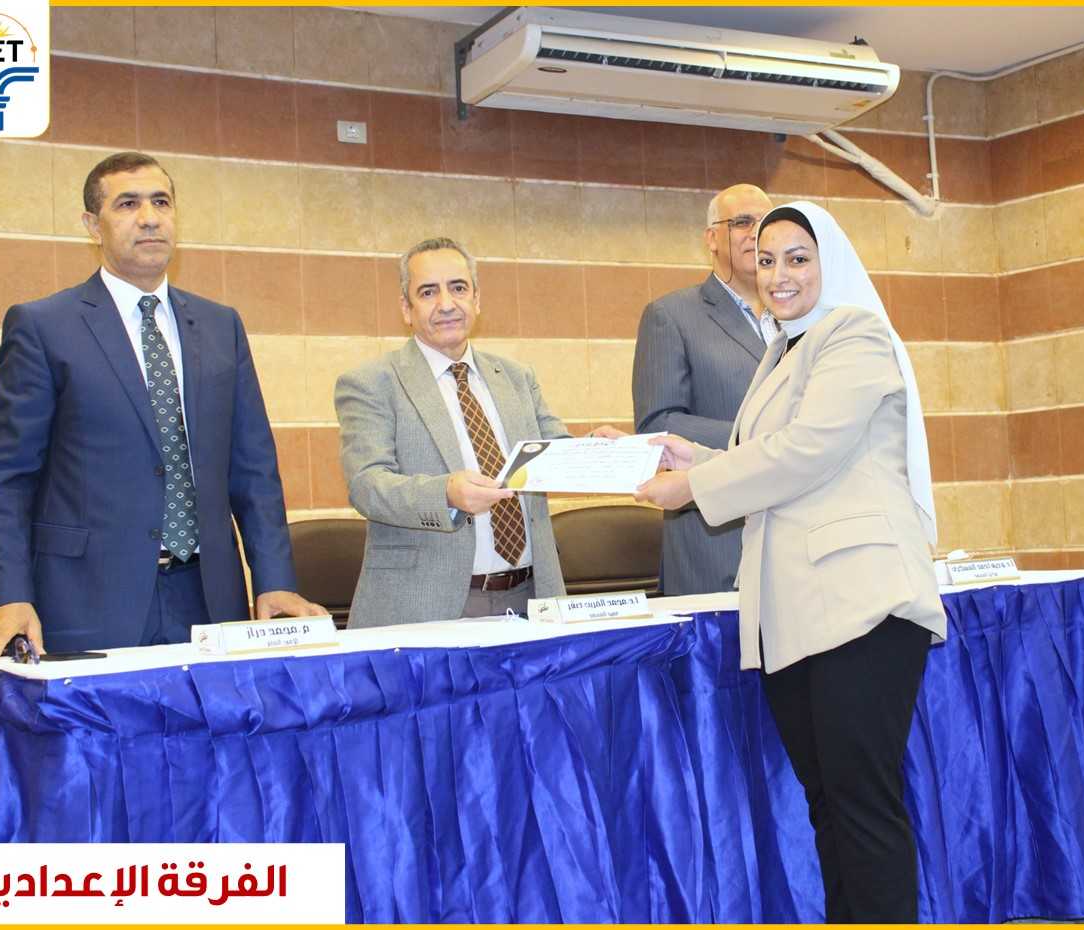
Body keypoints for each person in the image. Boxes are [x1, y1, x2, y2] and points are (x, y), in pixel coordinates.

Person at [635, 200, 945, 923]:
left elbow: (808, 450)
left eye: (798, 259)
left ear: (828, 262)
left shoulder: (854, 334)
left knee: (862, 806)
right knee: (829, 805)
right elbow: (770, 457)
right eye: (766, 259)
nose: (779, 274)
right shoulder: (784, 350)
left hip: (861, 606)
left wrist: (694, 486)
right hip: (798, 611)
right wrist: (691, 456)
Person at [0, 151, 322, 661]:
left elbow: (254, 470)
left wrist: (275, 580)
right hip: (87, 601)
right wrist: (9, 596)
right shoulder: (44, 326)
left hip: (209, 598)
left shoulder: (221, 326)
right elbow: (8, 476)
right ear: (93, 225)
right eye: (128, 204)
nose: (150, 217)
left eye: (161, 202)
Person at [336, 237, 599, 626]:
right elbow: (367, 485)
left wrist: (600, 450)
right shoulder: (372, 383)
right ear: (406, 308)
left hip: (532, 597)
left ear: (477, 299)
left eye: (458, 288)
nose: (446, 304)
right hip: (428, 608)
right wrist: (445, 493)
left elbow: (553, 454)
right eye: (428, 292)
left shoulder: (516, 377)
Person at [631, 183, 774, 595]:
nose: (756, 232)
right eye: (742, 222)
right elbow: (658, 424)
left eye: (765, 222)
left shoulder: (796, 317)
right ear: (711, 238)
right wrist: (765, 437)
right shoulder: (671, 315)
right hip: (716, 546)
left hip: (791, 544)